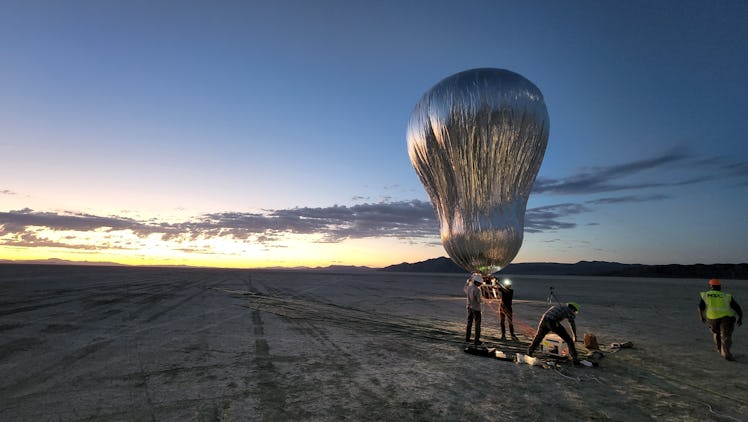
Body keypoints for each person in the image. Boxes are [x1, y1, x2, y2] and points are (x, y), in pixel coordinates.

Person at [698, 278, 743, 361]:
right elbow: (737, 307)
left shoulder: (706, 295)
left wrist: (701, 316)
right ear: (720, 287)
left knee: (716, 334)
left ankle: (719, 350)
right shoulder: (727, 296)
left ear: (711, 286)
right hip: (727, 318)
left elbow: (701, 307)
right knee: (726, 336)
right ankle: (726, 354)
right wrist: (740, 317)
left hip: (712, 318)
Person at [464, 273, 484, 345]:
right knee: (477, 324)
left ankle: (467, 338)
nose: (480, 284)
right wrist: (483, 300)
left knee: (469, 323)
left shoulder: (469, 287)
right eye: (480, 283)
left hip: (469, 307)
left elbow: (465, 290)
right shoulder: (477, 290)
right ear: (478, 282)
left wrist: (467, 282)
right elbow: (479, 300)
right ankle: (476, 340)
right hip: (476, 309)